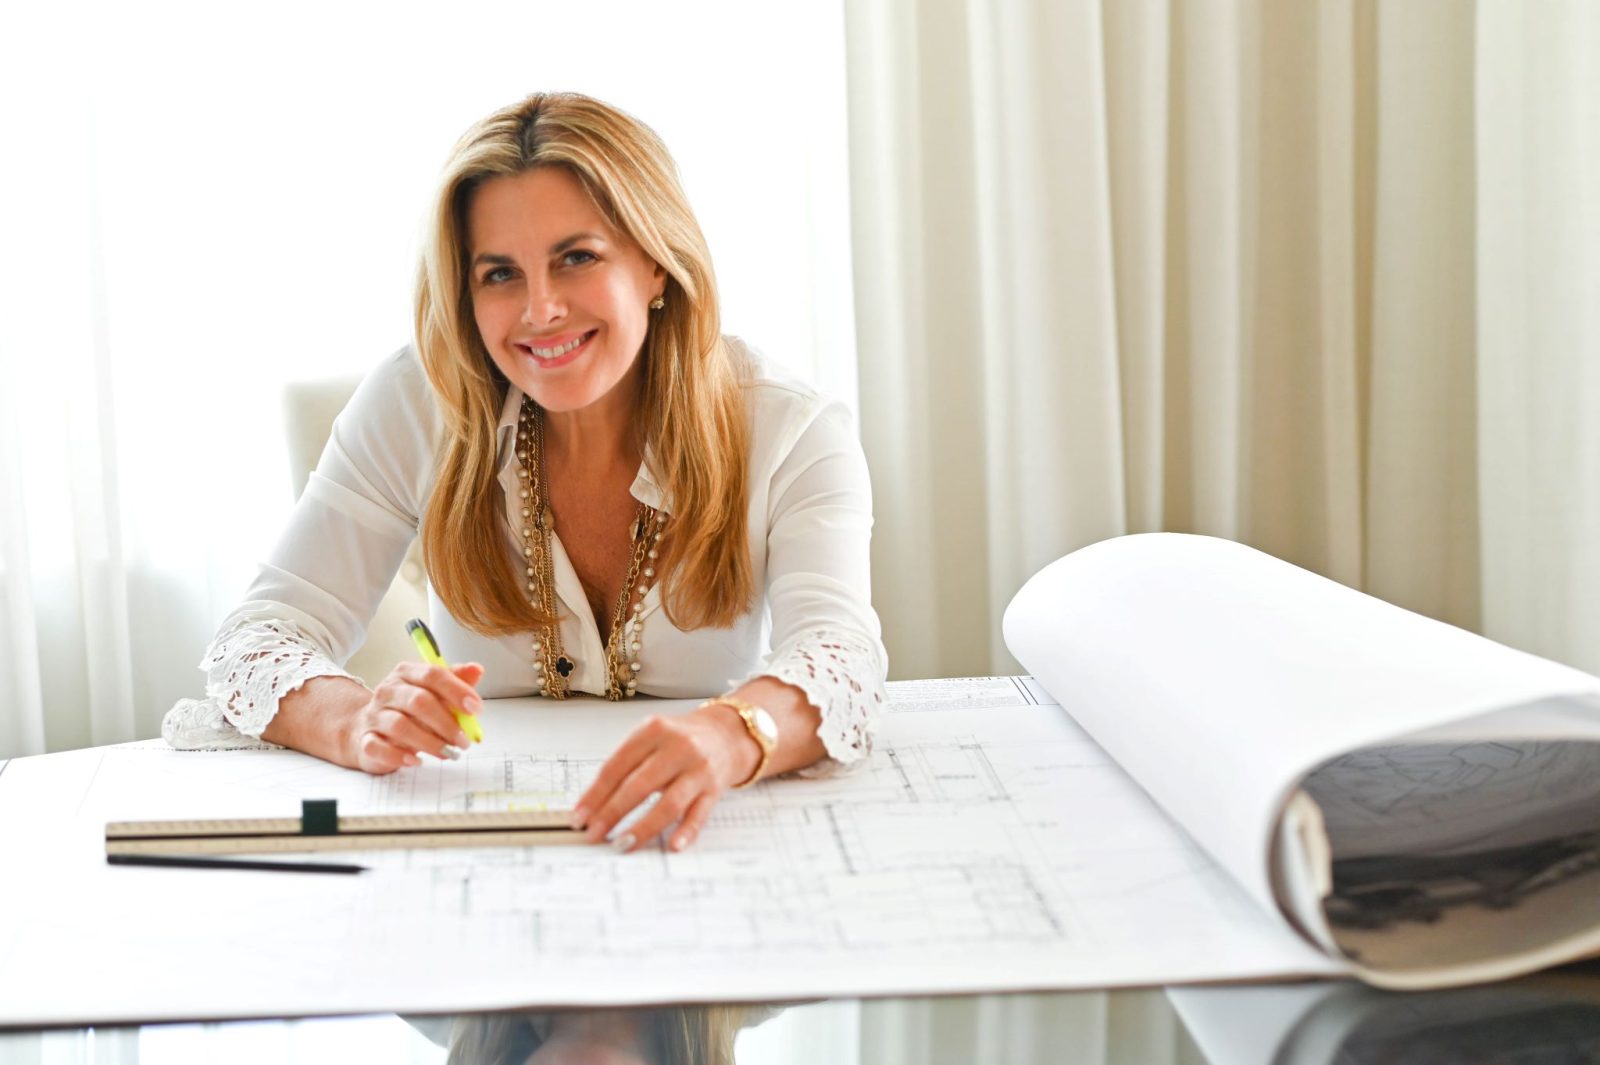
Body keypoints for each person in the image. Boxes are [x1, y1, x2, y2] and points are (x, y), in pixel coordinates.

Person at [162, 91, 886, 853]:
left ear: (657, 265)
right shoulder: (416, 403)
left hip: (695, 838)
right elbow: (256, 639)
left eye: (577, 258)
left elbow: (840, 657)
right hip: (486, 844)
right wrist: (354, 716)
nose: (540, 310)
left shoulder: (791, 427)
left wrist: (732, 735)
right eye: (499, 274)